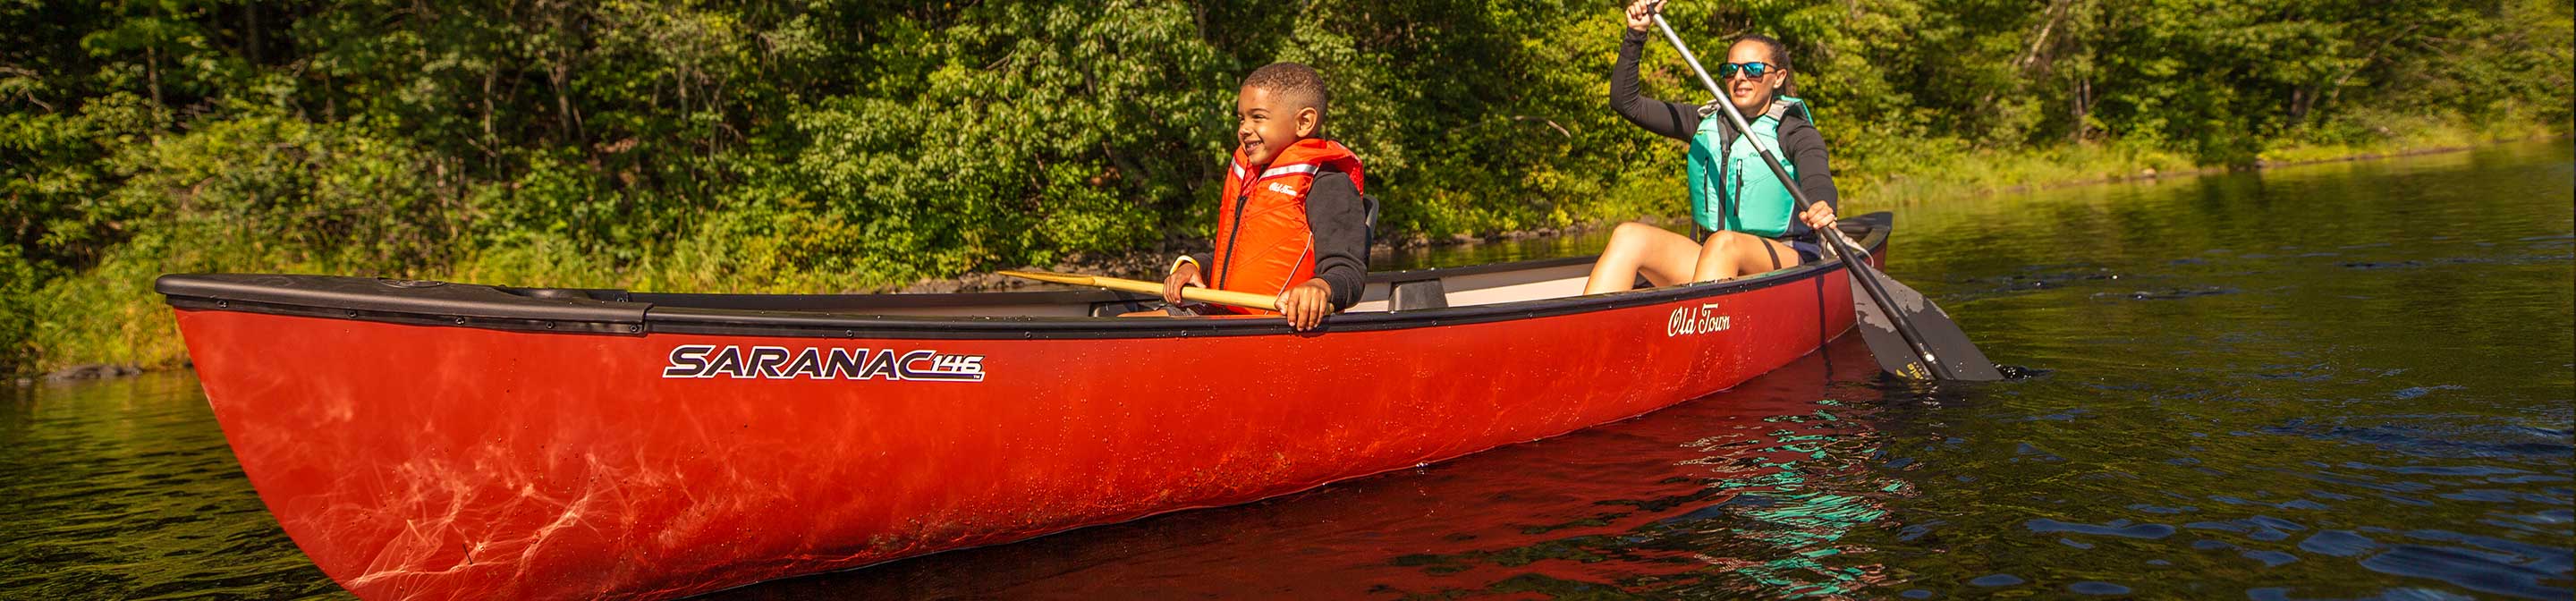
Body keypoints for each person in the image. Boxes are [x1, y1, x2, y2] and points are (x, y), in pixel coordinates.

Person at [1583, 0, 1842, 295]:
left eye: (1754, 69)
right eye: (1731, 70)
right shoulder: (1702, 121)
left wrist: (1821, 205)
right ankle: (1585, 334)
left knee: (1723, 242)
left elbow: (1818, 179)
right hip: (1715, 259)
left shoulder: (1796, 131)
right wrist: (1636, 34)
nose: (1740, 78)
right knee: (1629, 235)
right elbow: (1625, 103)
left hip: (1784, 258)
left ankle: (1698, 336)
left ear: (1778, 78)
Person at [1155, 62, 1369, 331]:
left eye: (1257, 117)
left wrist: (1320, 287)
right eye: (1241, 118)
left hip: (1273, 327)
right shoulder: (1251, 179)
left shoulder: (1329, 185)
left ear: (1304, 122)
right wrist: (1195, 265)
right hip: (1224, 318)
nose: (1244, 128)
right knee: (1121, 324)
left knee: (1124, 332)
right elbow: (1240, 260)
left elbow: (1348, 272)